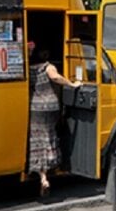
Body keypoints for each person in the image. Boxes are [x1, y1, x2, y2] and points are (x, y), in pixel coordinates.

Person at [27, 43, 80, 196]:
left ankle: (42, 177)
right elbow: (55, 78)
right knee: (49, 136)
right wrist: (72, 84)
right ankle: (50, 169)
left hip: (35, 107)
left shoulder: (29, 68)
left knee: (37, 139)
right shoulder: (48, 66)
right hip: (50, 106)